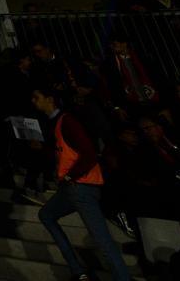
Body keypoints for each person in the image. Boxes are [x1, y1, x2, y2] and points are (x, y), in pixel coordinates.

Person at [32, 87, 130, 281]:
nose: (33, 101)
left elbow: (89, 153)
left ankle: (113, 276)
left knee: (103, 241)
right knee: (46, 215)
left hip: (80, 187)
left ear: (50, 99)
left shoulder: (67, 121)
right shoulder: (56, 122)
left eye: (36, 97)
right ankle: (78, 271)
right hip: (73, 187)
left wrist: (69, 176)